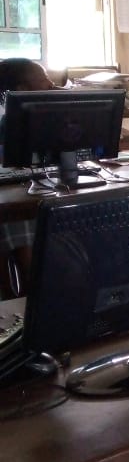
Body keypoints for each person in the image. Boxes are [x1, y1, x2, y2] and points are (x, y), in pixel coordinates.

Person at [0, 58, 57, 297]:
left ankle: (25, 296)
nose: (52, 84)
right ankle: (24, 296)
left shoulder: (29, 112)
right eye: (44, 80)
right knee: (22, 216)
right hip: (8, 194)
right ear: (21, 90)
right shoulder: (6, 117)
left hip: (19, 184)